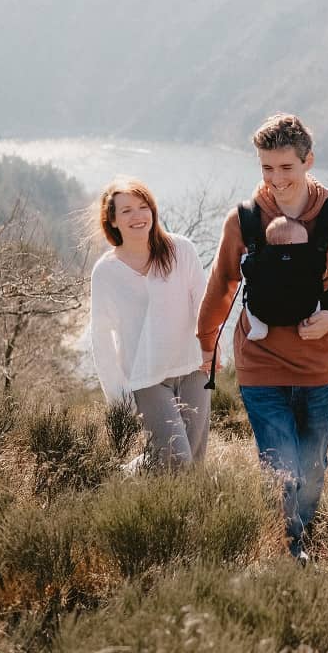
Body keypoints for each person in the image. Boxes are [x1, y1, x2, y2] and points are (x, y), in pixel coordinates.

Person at [197, 113, 328, 561]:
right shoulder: (243, 220)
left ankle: (302, 531)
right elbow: (222, 284)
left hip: (317, 368)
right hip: (259, 364)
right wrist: (206, 346)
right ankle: (289, 548)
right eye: (266, 168)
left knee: (313, 469)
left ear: (308, 161)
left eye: (286, 167)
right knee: (281, 467)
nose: (276, 180)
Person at [90, 177, 210, 468]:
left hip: (195, 367)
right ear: (113, 220)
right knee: (175, 457)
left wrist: (210, 349)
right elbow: (101, 340)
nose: (138, 216)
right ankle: (128, 475)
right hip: (146, 378)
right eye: (127, 210)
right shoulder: (106, 272)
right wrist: (118, 397)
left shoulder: (181, 250)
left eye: (144, 207)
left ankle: (184, 512)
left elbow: (205, 305)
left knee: (193, 461)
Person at [244, 215, 319, 341]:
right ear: (289, 245)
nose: (306, 247)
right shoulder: (305, 260)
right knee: (316, 295)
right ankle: (308, 322)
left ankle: (259, 327)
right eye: (303, 243)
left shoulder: (263, 258)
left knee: (248, 298)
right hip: (303, 307)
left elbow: (247, 270)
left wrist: (245, 258)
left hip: (264, 309)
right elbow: (319, 271)